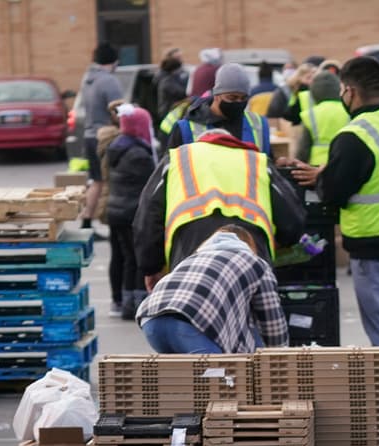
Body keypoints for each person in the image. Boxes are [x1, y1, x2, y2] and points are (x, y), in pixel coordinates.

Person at [288, 57, 379, 348]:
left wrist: (323, 179)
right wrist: (326, 172)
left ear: (349, 91)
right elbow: (376, 169)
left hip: (377, 246)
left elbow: (333, 193)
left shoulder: (355, 135)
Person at [134, 128, 305, 288]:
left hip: (190, 244)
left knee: (195, 308)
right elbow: (292, 219)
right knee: (254, 308)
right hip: (250, 243)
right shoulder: (258, 161)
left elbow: (148, 216)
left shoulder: (177, 159)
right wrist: (285, 242)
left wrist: (150, 266)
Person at [135, 226, 288, 354]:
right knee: (219, 384)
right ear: (249, 245)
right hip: (191, 322)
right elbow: (272, 321)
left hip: (151, 321)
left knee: (180, 381)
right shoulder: (256, 263)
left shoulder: (193, 258)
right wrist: (280, 357)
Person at [106, 106, 155, 322]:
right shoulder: (138, 154)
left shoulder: (117, 146)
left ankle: (121, 300)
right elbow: (150, 185)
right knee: (135, 259)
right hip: (131, 212)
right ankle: (135, 304)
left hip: (116, 209)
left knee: (123, 257)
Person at [168, 63, 272, 156]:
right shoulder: (185, 129)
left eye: (243, 98)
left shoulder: (258, 125)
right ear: (216, 95)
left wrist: (278, 164)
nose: (238, 102)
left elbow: (267, 164)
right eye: (232, 98)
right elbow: (171, 170)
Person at [77, 43, 123, 236]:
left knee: (96, 181)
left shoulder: (88, 79)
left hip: (89, 135)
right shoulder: (109, 81)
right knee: (112, 182)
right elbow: (118, 110)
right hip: (104, 137)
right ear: (114, 61)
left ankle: (87, 221)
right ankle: (112, 223)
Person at [293, 71, 349, 165]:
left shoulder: (310, 115)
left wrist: (298, 166)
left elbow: (303, 149)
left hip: (316, 166)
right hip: (344, 163)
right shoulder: (348, 111)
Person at [155, 48, 188, 123]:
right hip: (168, 112)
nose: (180, 60)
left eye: (180, 57)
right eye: (177, 58)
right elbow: (181, 93)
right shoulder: (165, 79)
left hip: (171, 110)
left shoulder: (178, 75)